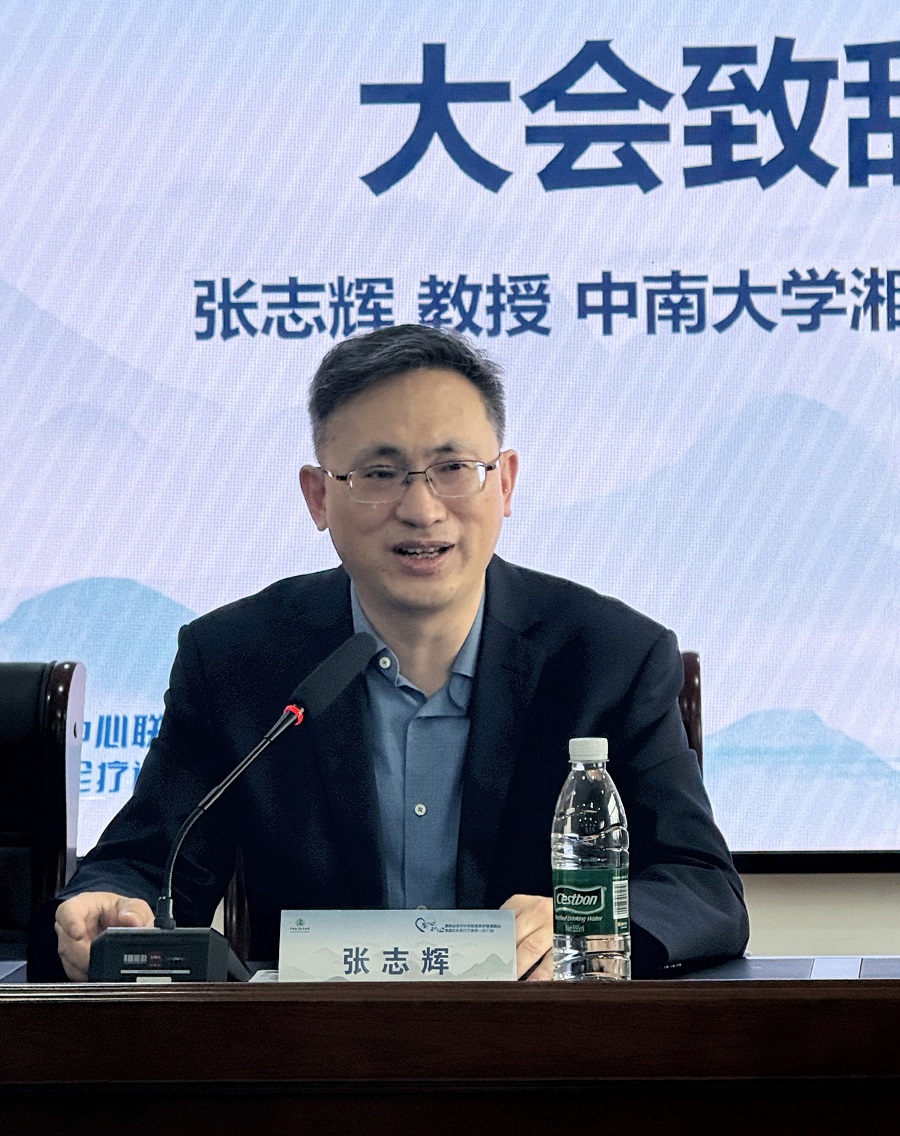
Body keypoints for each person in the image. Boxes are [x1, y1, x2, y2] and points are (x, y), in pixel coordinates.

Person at [50, 324, 748, 982]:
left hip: (543, 1048)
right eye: (380, 474)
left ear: (505, 483)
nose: (422, 509)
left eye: (453, 468)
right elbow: (149, 866)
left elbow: (701, 888)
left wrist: (582, 926)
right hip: (309, 1052)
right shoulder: (237, 660)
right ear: (318, 497)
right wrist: (110, 911)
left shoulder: (609, 658)